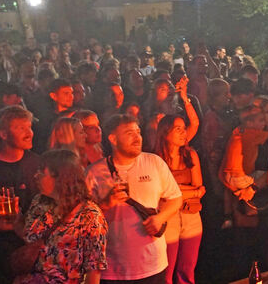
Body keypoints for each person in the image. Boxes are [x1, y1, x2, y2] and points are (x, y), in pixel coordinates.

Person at [85, 114, 183, 283]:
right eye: (129, 133)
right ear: (113, 139)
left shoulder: (154, 163)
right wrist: (106, 204)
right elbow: (82, 218)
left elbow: (175, 198)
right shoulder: (94, 172)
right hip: (113, 267)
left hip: (153, 263)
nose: (137, 137)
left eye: (138, 132)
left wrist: (160, 218)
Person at [16, 149, 107, 284]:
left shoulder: (90, 216)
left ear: (60, 178)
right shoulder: (39, 202)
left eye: (42, 171)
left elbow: (93, 271)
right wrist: (15, 223)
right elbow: (30, 240)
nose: (36, 175)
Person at [153, 115, 206, 284]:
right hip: (168, 218)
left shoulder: (190, 155)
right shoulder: (156, 159)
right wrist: (191, 192)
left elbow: (200, 188)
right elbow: (160, 192)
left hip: (191, 215)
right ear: (165, 133)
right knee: (166, 271)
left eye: (184, 128)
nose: (184, 133)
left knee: (187, 270)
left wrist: (174, 190)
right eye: (178, 129)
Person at [0, 106, 42, 282]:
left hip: (32, 250)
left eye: (29, 127)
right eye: (20, 128)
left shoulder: (38, 164)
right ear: (3, 134)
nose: (29, 133)